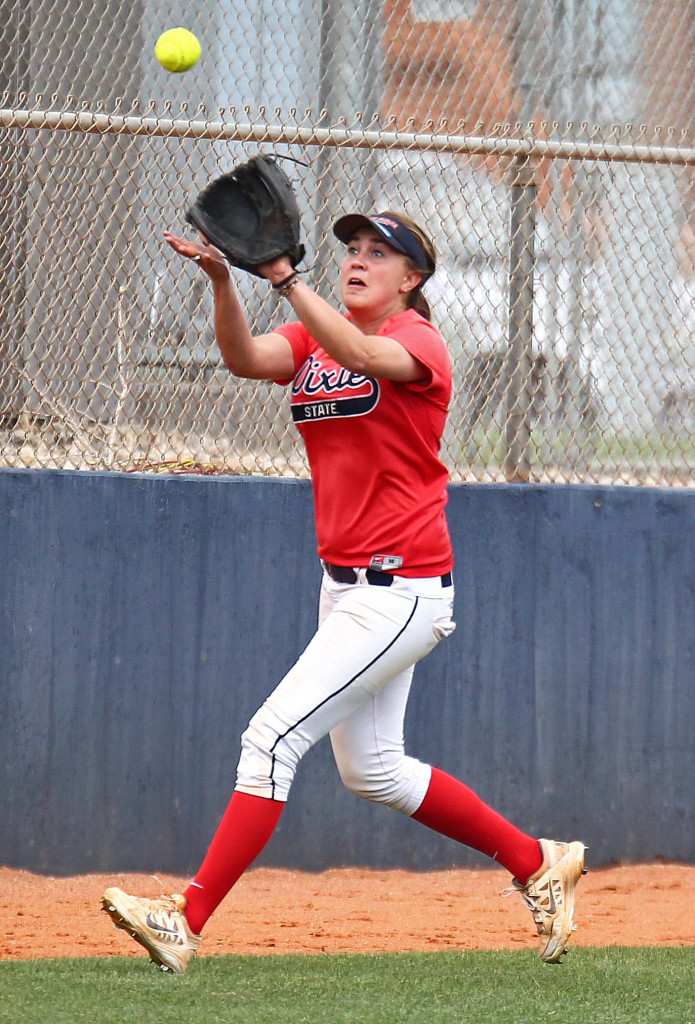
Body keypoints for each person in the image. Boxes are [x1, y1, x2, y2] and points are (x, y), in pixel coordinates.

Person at [102, 210, 586, 972]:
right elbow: (244, 359)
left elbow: (361, 350)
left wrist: (287, 281)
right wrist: (226, 285)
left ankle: (184, 919)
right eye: (352, 250)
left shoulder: (417, 342)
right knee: (375, 770)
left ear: (412, 280)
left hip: (401, 593)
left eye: (378, 254)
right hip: (347, 588)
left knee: (269, 739)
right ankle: (537, 863)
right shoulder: (310, 343)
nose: (358, 261)